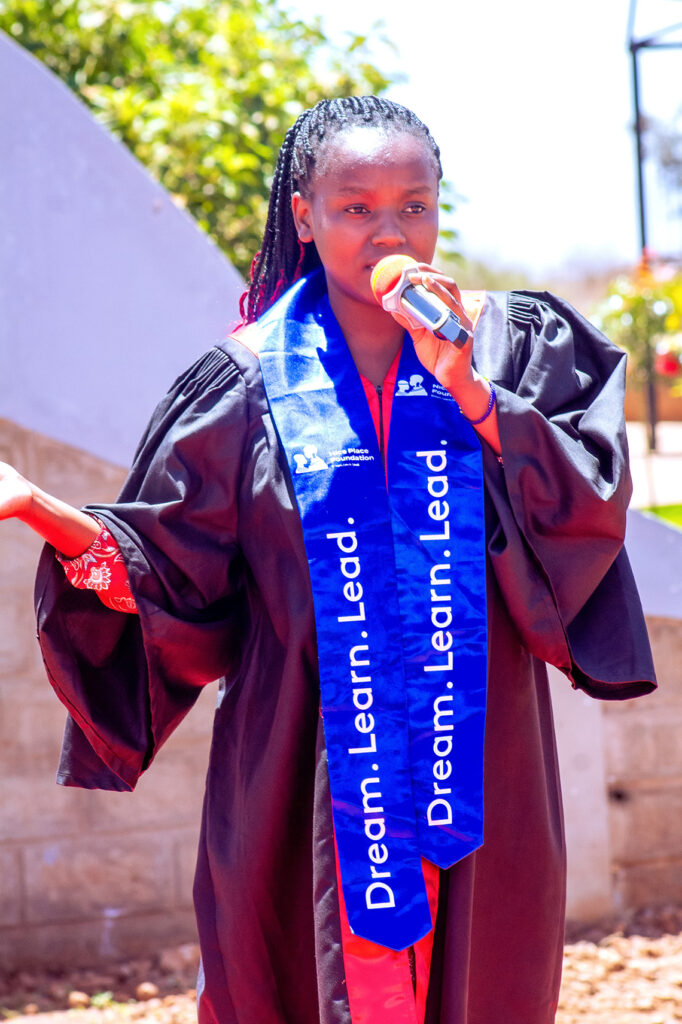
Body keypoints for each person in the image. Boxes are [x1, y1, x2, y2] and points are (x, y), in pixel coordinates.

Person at [0, 95, 656, 1024]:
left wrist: (469, 391)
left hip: (482, 765)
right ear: (303, 217)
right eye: (356, 209)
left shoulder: (514, 347)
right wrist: (43, 510)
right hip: (299, 775)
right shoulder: (245, 382)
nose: (391, 232)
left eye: (414, 206)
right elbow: (172, 575)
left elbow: (586, 516)